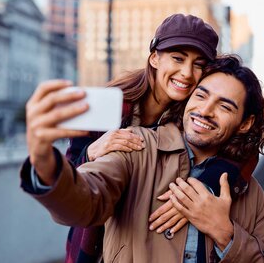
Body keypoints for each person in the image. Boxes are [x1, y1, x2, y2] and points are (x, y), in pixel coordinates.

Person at [21, 55, 264, 262]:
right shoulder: (136, 146)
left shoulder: (250, 193)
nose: (205, 111)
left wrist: (225, 233)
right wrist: (44, 160)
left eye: (224, 106)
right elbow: (85, 200)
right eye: (201, 95)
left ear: (245, 123)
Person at [64, 13, 219, 262]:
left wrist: (198, 192)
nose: (187, 73)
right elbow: (68, 181)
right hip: (94, 242)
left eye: (199, 64)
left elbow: (242, 151)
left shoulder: (198, 112)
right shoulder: (108, 102)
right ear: (155, 57)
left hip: (156, 247)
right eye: (177, 59)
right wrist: (92, 152)